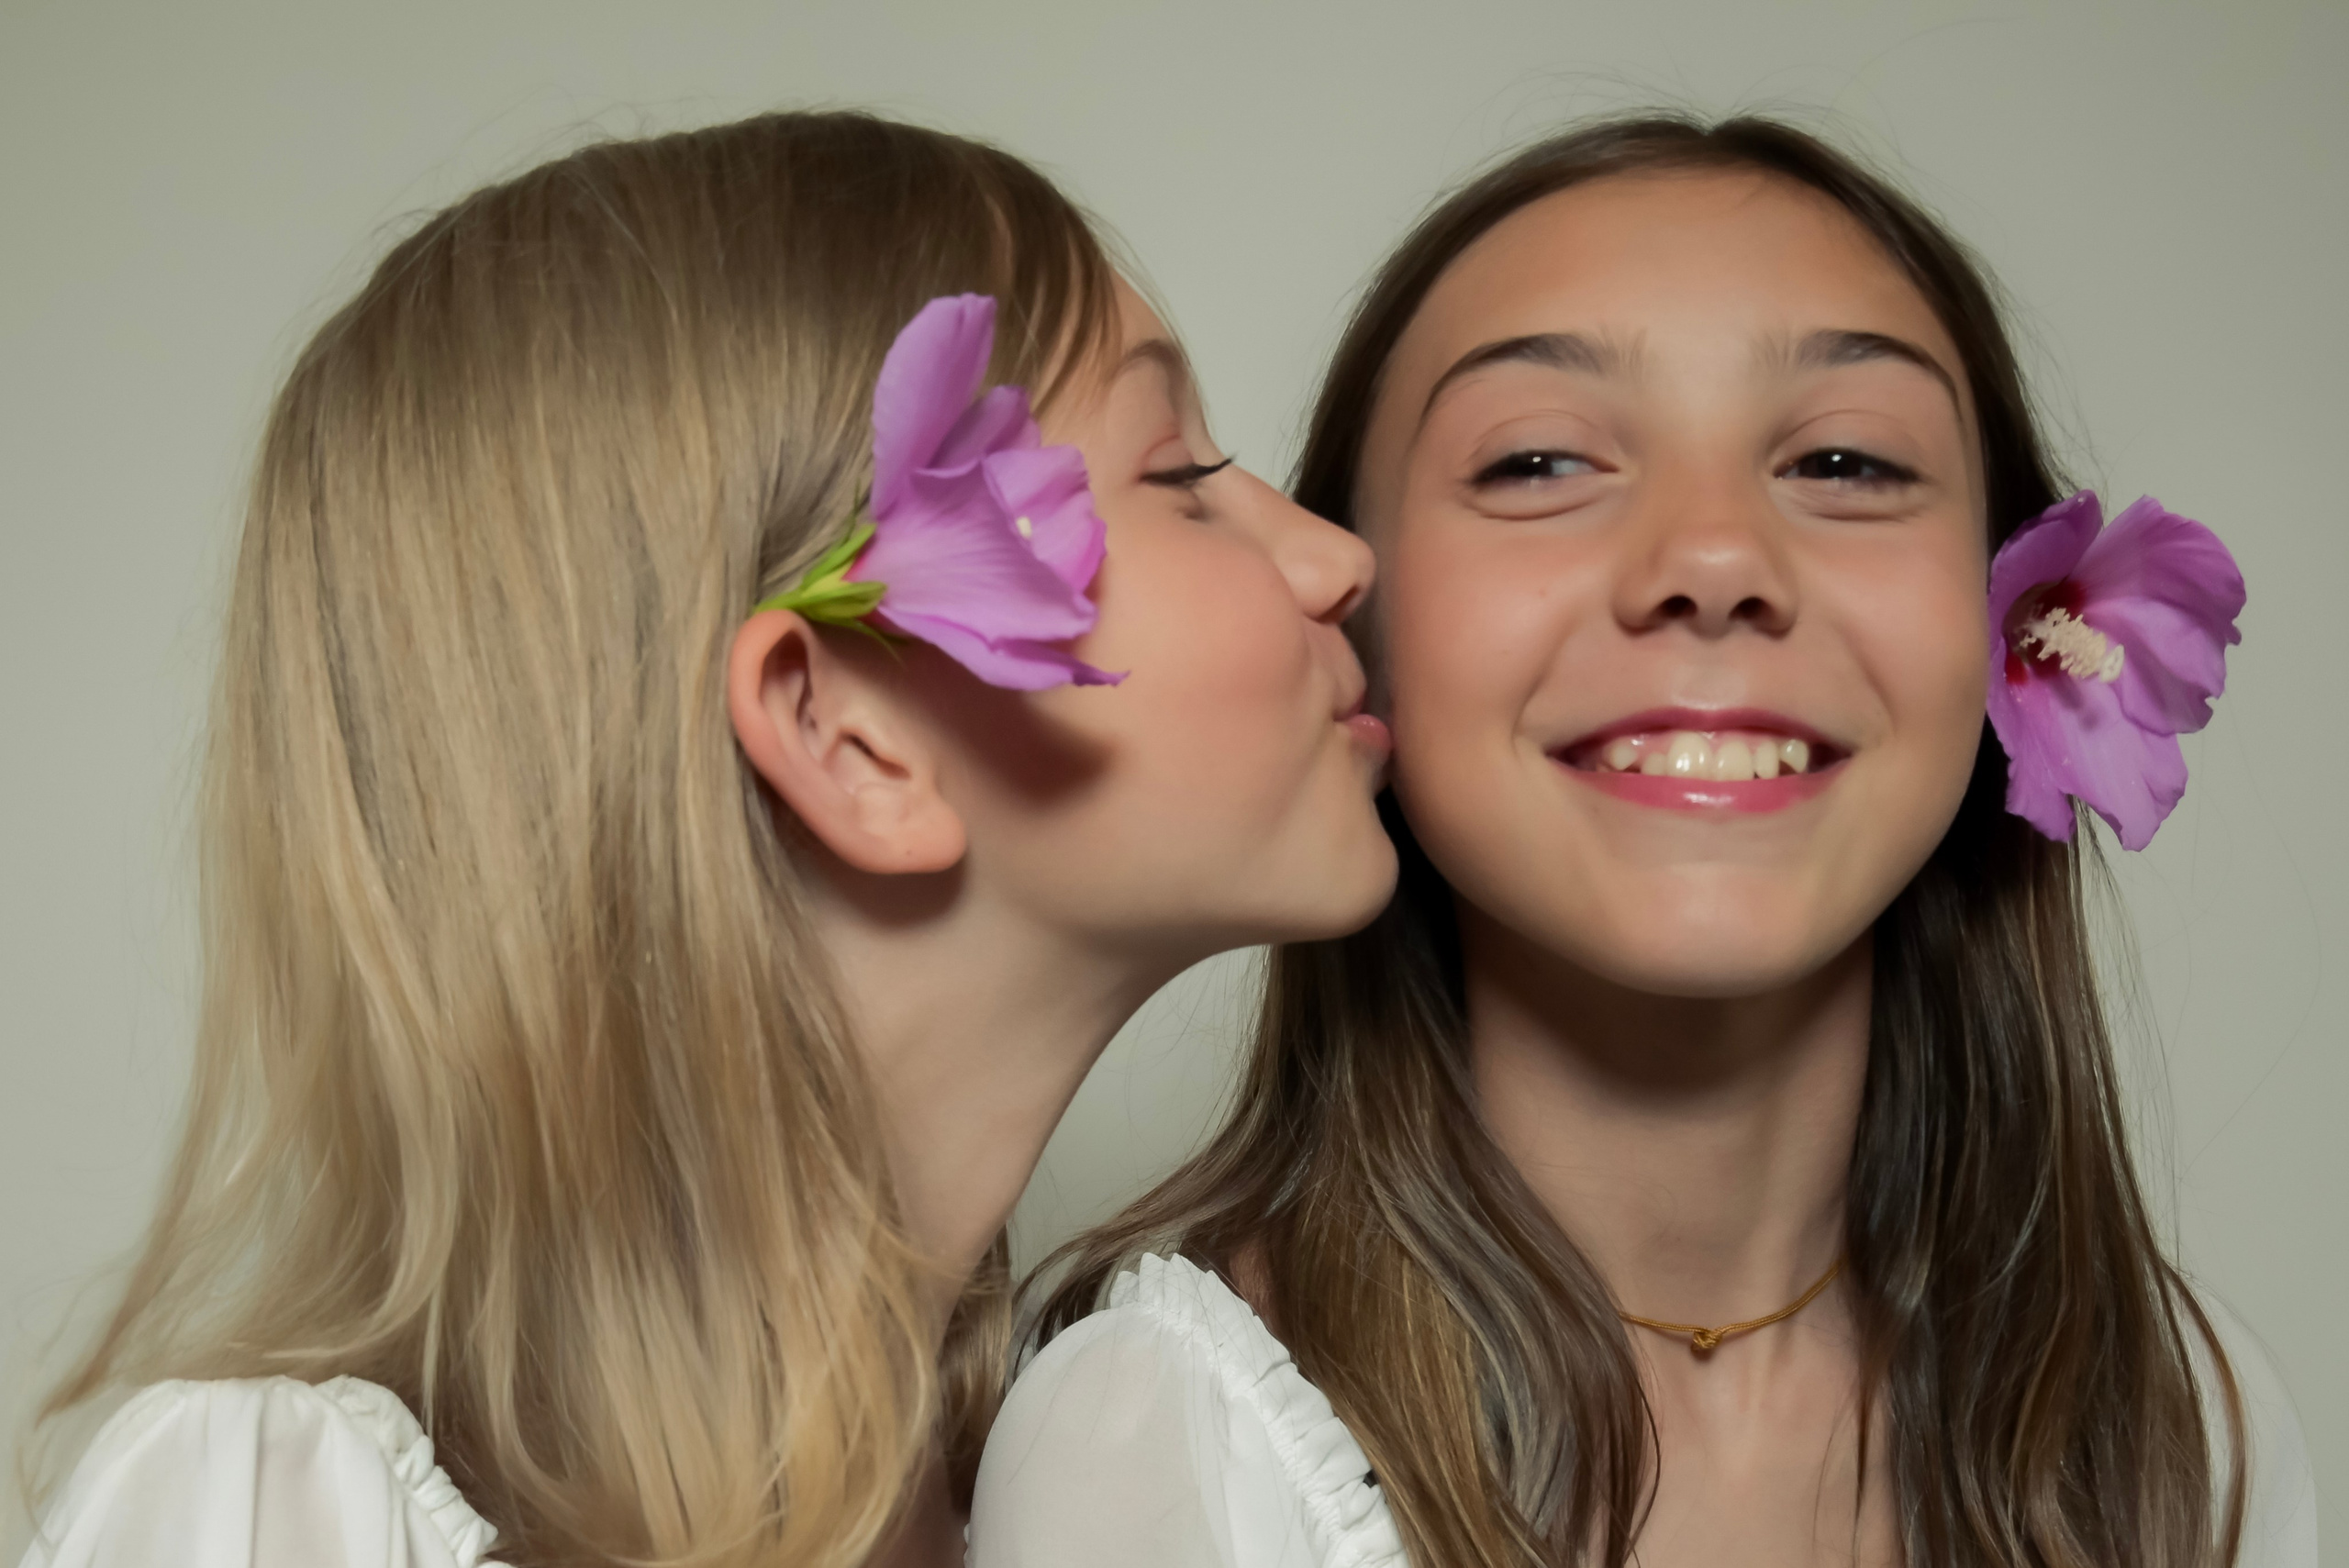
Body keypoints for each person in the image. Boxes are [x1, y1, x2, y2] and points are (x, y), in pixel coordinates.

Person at [19, 109, 1397, 1568]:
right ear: (847, 735)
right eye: (1180, 474)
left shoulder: (1155, 1491)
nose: (1336, 558)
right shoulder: (272, 1537)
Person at [972, 114, 2315, 1568]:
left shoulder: (2194, 1419)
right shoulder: (1157, 1440)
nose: (1714, 559)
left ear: (2009, 634)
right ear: (1349, 631)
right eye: (1541, 460)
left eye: (1851, 462)